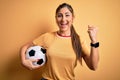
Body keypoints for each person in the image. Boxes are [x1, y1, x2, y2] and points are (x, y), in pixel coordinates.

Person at [20, 3, 99, 80]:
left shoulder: (79, 41)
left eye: (67, 15)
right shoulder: (47, 37)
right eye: (59, 15)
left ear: (73, 18)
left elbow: (93, 66)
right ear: (56, 19)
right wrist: (23, 61)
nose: (63, 19)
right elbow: (24, 47)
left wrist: (94, 41)